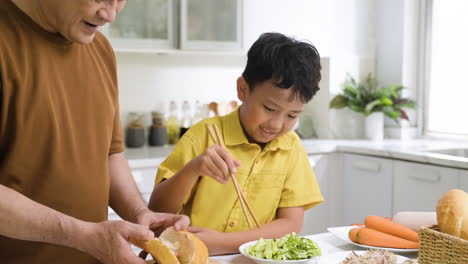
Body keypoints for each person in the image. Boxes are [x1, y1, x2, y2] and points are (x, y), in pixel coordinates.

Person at [0, 1, 189, 263]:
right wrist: (82, 235)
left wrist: (138, 213)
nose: (110, 15)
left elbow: (109, 155)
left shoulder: (100, 49)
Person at [148, 32, 324, 255]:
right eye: (269, 109)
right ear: (243, 89)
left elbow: (291, 226)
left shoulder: (291, 147)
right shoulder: (203, 134)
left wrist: (222, 242)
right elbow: (156, 210)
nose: (277, 124)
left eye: (292, 116)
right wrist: (192, 170)